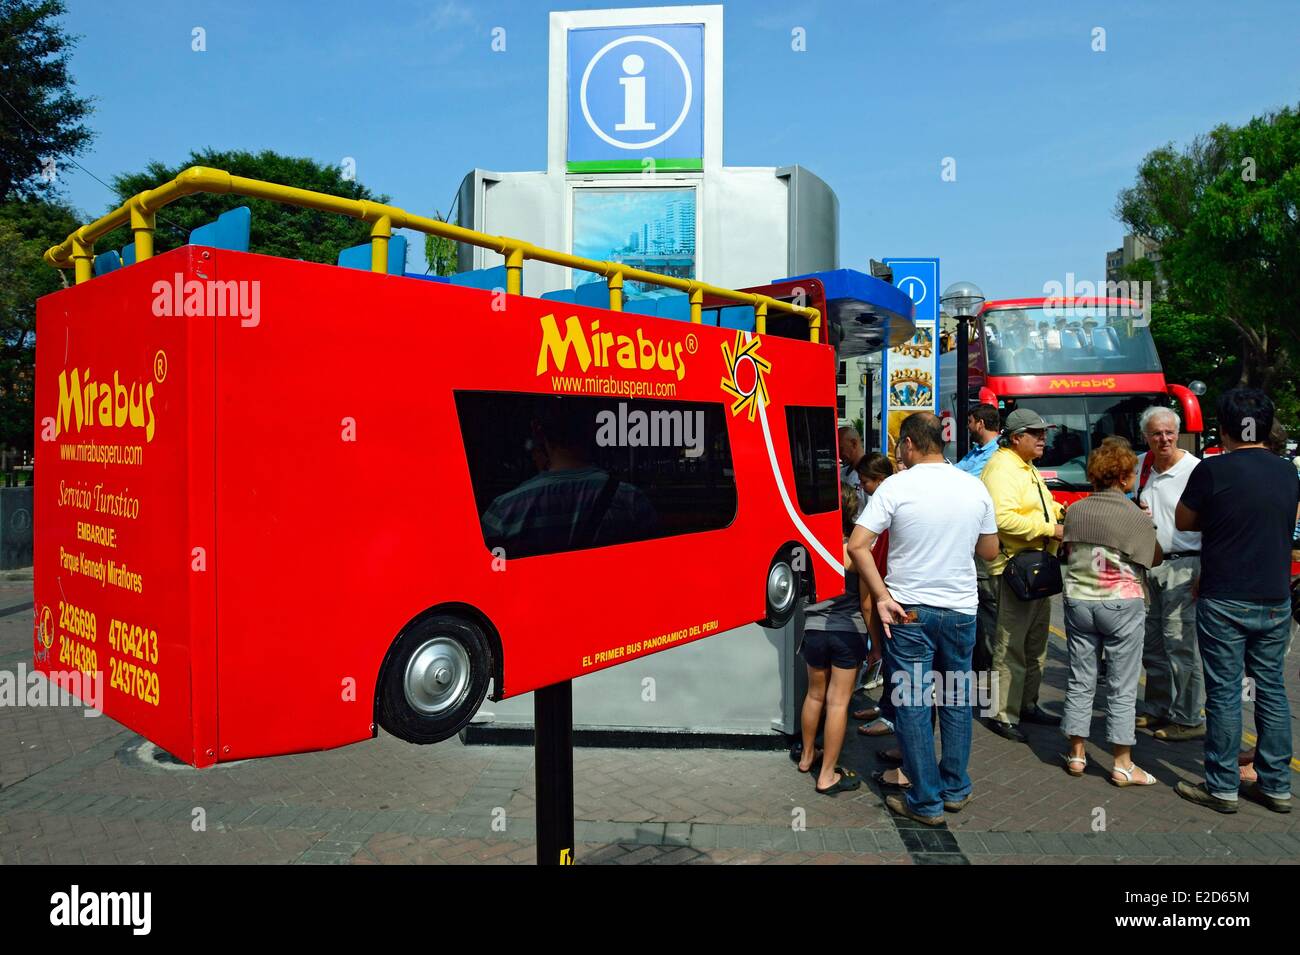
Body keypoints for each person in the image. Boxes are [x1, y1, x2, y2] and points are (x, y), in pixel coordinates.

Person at [848, 412, 1000, 825]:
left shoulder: (897, 485)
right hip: (960, 612)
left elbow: (858, 546)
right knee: (954, 700)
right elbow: (989, 551)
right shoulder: (974, 487)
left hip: (908, 612)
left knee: (912, 704)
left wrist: (879, 596)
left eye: (901, 445)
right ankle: (954, 788)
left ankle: (926, 800)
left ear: (910, 444)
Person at [1174, 388, 1298, 815]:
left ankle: (1222, 786)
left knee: (1225, 694)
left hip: (1224, 596)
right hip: (1274, 597)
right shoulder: (1288, 472)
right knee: (1272, 692)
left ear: (1224, 429)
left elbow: (1183, 521)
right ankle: (1276, 784)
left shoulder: (1213, 471)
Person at [1060, 442, 1162, 784]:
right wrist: (1150, 527)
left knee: (1080, 678)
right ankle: (1122, 763)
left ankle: (1076, 754)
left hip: (1078, 600)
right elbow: (1153, 558)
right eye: (1132, 472)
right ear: (1122, 476)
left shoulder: (1076, 510)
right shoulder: (1134, 515)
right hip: (1121, 602)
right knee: (1121, 684)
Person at [981, 407, 1066, 742]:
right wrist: (1051, 527)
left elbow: (1042, 506)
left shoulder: (1024, 465)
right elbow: (1002, 519)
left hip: (1034, 568)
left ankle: (1026, 702)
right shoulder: (1003, 468)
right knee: (1011, 644)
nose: (1044, 438)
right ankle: (1003, 712)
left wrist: (1062, 512)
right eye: (1036, 433)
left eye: (1044, 432)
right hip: (1015, 569)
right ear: (1016, 438)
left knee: (1034, 643)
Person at [1133, 407, 1205, 741]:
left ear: (1178, 434)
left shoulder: (1196, 470)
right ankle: (1157, 708)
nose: (1163, 439)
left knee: (1181, 645)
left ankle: (1189, 717)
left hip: (1185, 565)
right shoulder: (1141, 466)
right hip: (1151, 566)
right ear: (1146, 436)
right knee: (1154, 644)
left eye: (1169, 433)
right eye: (1156, 433)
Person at [796, 492, 870, 796]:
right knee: (838, 703)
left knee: (814, 696)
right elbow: (866, 604)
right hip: (847, 634)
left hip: (813, 631)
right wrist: (875, 643)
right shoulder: (855, 552)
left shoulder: (807, 548)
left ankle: (806, 757)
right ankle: (827, 775)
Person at [957, 403, 1003, 674]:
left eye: (970, 421)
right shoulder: (976, 453)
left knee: (988, 603)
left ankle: (991, 664)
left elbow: (966, 480)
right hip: (970, 537)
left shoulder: (995, 456)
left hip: (984, 537)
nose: (967, 426)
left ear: (981, 424)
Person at [838, 426, 867, 523]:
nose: (839, 455)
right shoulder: (841, 473)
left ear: (854, 443)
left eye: (841, 449)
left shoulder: (871, 474)